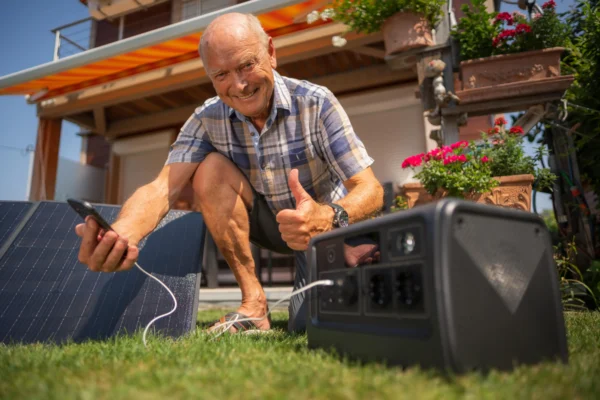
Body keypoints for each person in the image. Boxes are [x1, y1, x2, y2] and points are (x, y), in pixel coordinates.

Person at [75, 12, 384, 333]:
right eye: (221, 74)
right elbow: (160, 188)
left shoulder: (316, 103)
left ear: (272, 53)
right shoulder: (206, 119)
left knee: (310, 325)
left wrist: (327, 217)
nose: (238, 85)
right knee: (209, 170)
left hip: (324, 227)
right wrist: (123, 232)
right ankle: (254, 305)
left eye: (247, 65)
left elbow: (371, 189)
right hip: (267, 223)